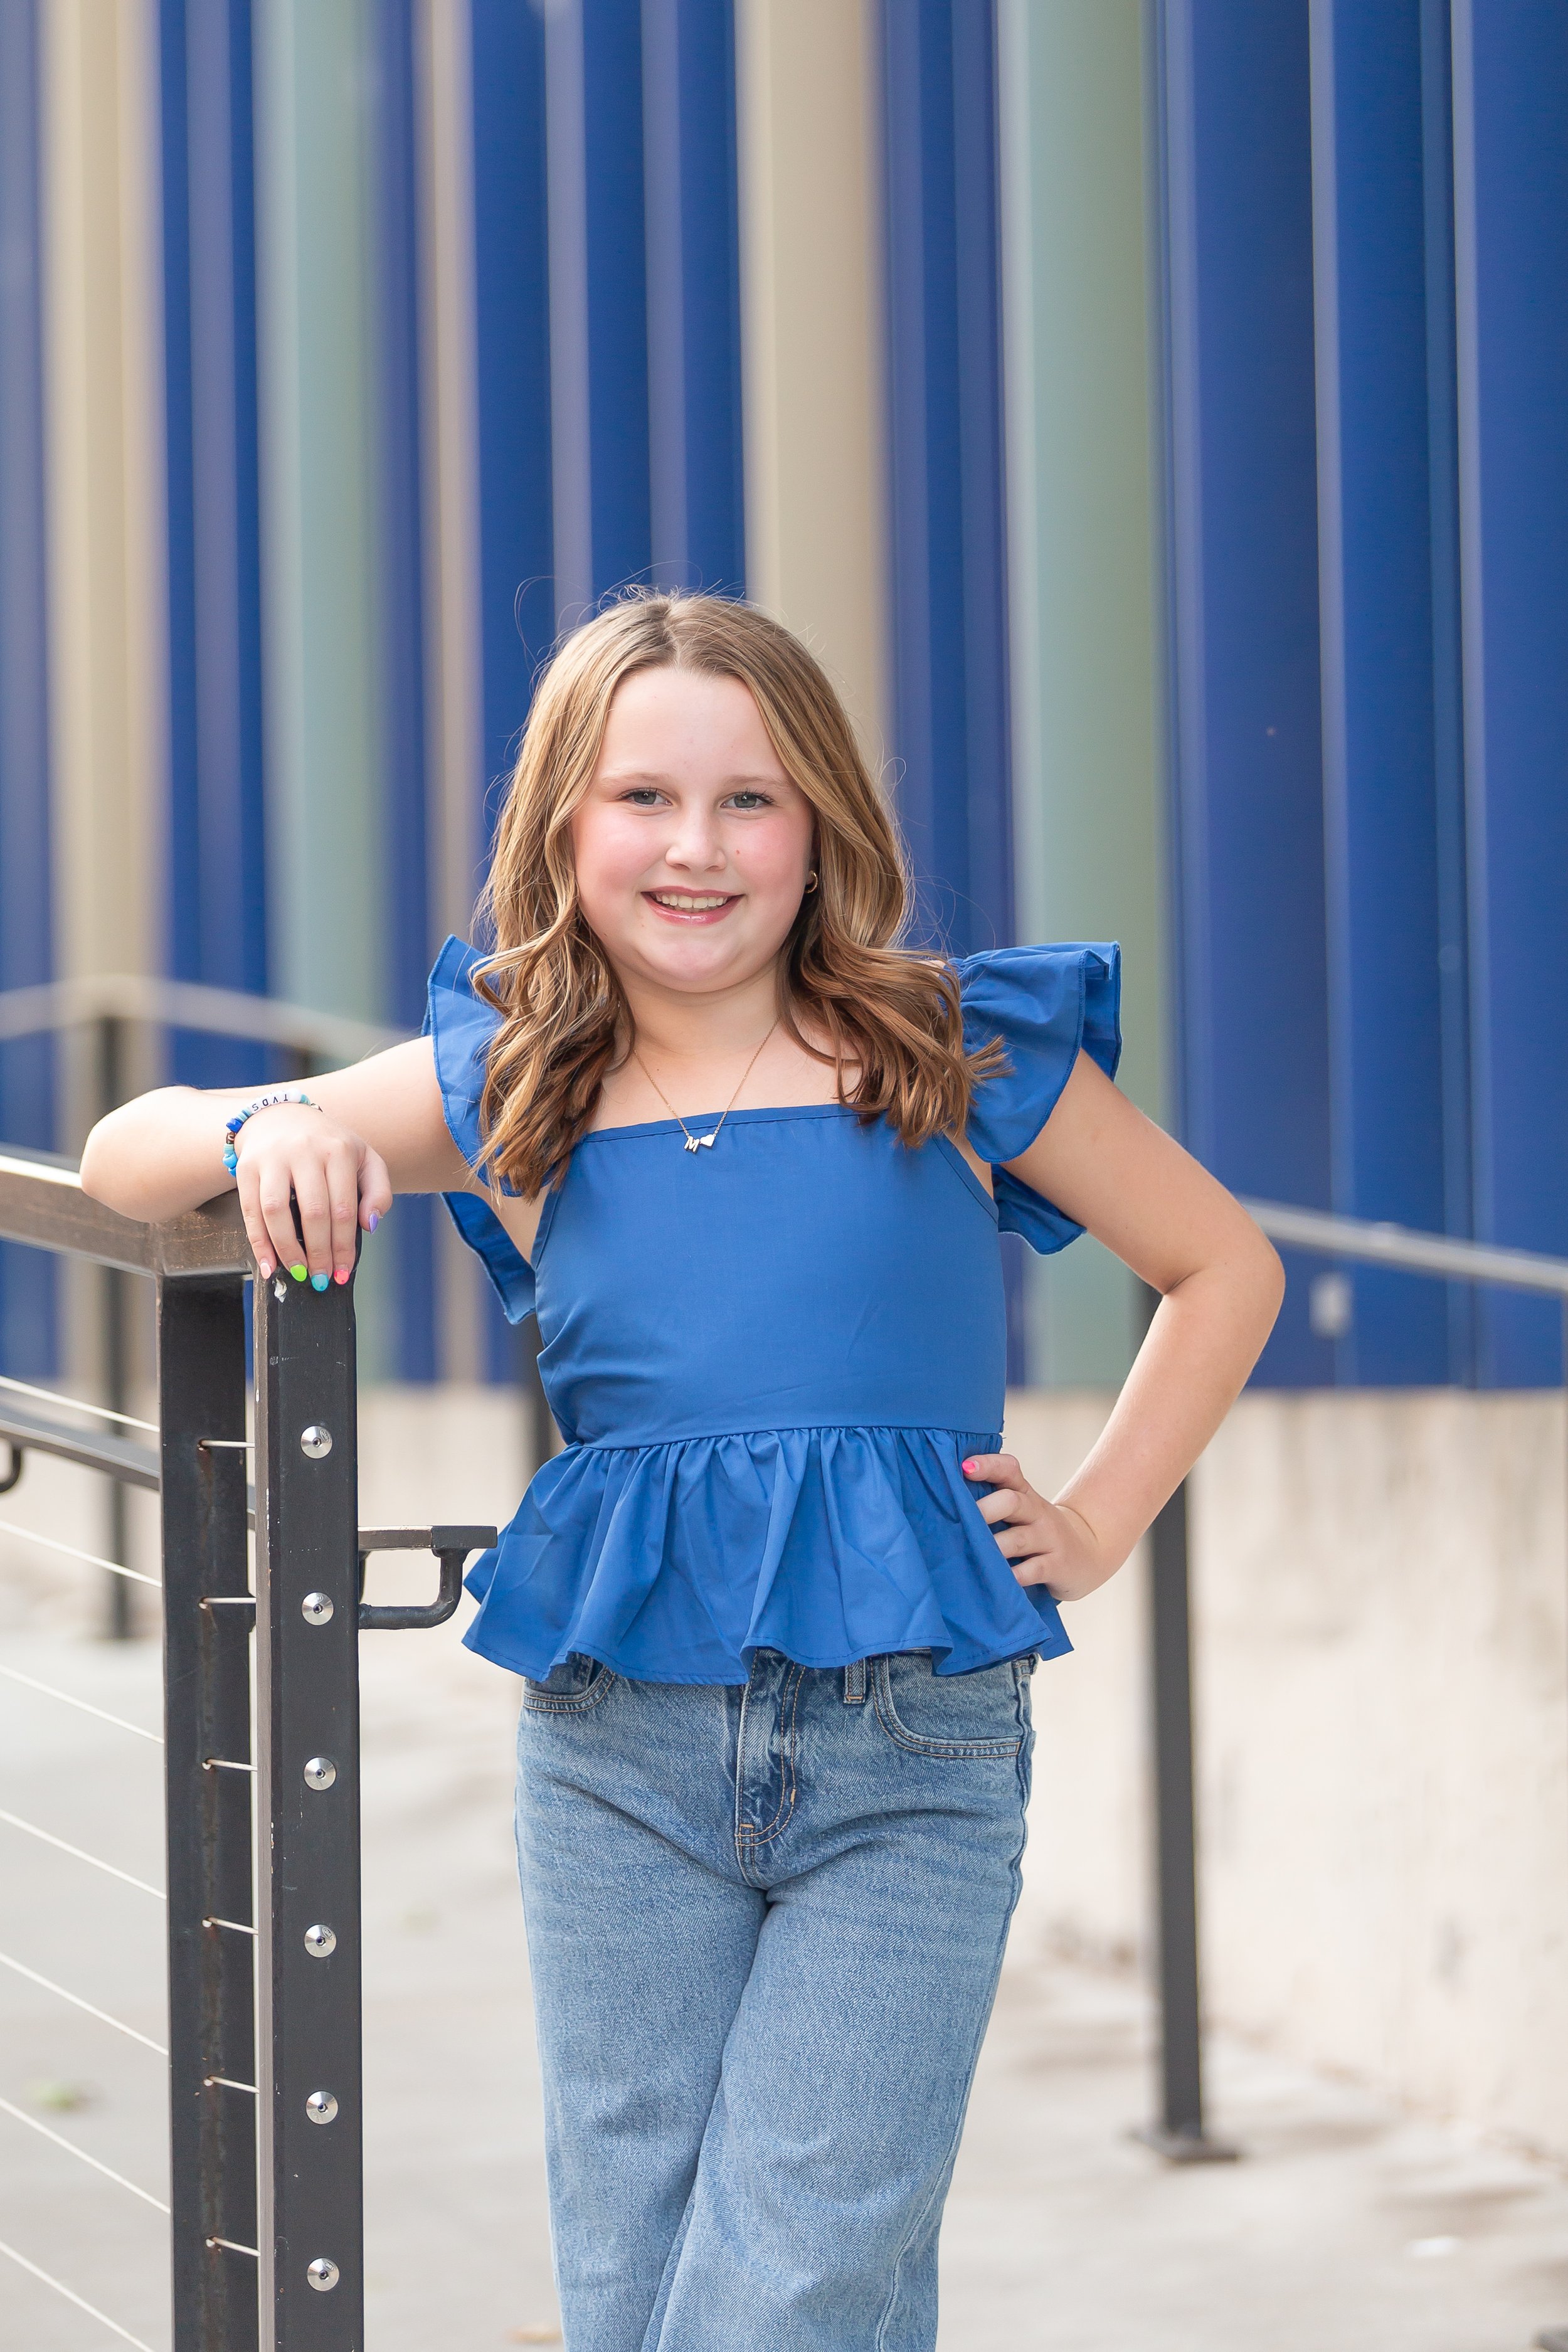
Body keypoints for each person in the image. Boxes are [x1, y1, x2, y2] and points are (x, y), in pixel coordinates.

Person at [82, 591, 1282, 2351]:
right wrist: (275, 1122)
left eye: (751, 800)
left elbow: (1220, 1265)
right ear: (564, 825)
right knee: (639, 2264)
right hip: (614, 1754)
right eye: (643, 798)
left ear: (822, 833)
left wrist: (1096, 1517)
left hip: (913, 1747)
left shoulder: (951, 1050)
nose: (696, 847)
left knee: (802, 2263)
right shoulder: (518, 1081)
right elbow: (126, 1157)